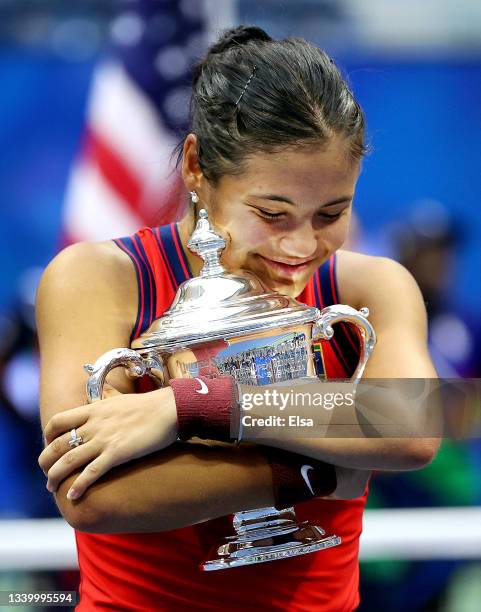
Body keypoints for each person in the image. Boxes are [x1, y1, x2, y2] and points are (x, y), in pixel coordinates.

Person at [36, 25, 439, 611]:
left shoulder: (368, 284)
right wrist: (322, 464)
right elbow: (91, 495)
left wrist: (189, 407)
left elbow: (412, 422)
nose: (302, 245)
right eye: (272, 213)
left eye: (332, 212)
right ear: (197, 168)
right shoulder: (100, 277)